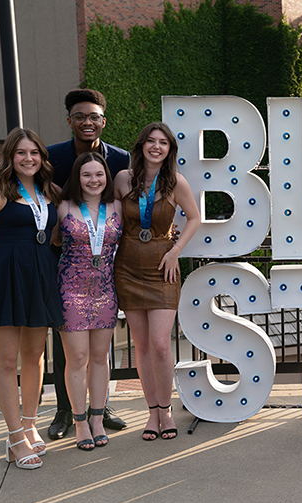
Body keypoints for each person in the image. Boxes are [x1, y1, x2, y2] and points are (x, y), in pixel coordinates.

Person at [0, 128, 63, 469]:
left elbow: (54, 233)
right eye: (21, 153)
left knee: (35, 356)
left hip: (38, 277)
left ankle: (30, 424)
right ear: (10, 156)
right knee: (7, 361)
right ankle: (14, 438)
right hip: (2, 278)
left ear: (42, 157)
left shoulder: (50, 191)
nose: (28, 158)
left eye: (34, 153)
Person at [46, 89, 130, 440]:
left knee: (99, 351)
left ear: (103, 121)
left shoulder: (121, 158)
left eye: (94, 117)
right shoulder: (51, 157)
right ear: (70, 120)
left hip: (103, 267)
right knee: (68, 349)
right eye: (80, 116)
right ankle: (66, 411)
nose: (87, 122)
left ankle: (100, 408)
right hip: (62, 258)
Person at [114, 122, 200, 441]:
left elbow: (194, 217)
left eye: (162, 142)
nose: (156, 146)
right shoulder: (124, 180)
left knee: (162, 344)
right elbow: (106, 215)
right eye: (150, 141)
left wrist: (176, 250)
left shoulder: (176, 182)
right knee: (144, 345)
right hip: (128, 267)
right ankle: (152, 414)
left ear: (169, 150)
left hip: (163, 267)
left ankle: (166, 408)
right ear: (141, 146)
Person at [53, 152, 122, 450]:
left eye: (99, 174)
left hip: (106, 290)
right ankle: (80, 422)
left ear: (106, 176)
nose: (94, 180)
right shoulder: (62, 207)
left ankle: (97, 418)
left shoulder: (117, 207)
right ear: (77, 178)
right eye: (86, 175)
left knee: (99, 358)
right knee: (77, 359)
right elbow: (43, 236)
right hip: (71, 289)